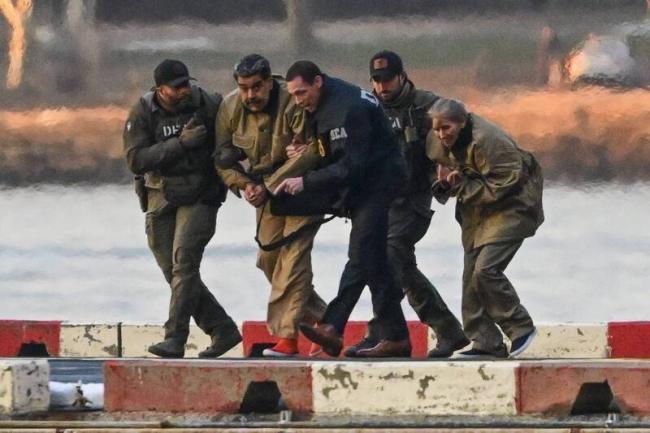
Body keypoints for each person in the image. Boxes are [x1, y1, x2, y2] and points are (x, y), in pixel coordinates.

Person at [275, 60, 411, 358]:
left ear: (318, 82)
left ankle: (333, 326)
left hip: (379, 183)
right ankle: (395, 336)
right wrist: (305, 153)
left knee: (361, 254)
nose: (298, 101)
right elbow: (331, 152)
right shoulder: (320, 106)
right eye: (293, 95)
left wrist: (306, 181)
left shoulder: (350, 108)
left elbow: (352, 165)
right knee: (372, 261)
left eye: (301, 93)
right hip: (361, 187)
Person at [343, 50, 469, 358]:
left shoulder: (426, 106)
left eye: (388, 80)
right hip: (378, 201)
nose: (382, 87)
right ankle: (421, 331)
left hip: (412, 199)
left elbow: (454, 139)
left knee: (390, 254)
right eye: (376, 80)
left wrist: (446, 169)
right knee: (385, 262)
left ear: (402, 77)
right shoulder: (366, 107)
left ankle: (393, 332)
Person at [123, 59, 241, 358]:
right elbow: (136, 160)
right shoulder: (143, 112)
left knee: (184, 264)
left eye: (186, 83)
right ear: (159, 90)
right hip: (160, 194)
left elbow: (229, 144)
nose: (184, 90)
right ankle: (222, 328)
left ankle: (175, 338)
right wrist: (181, 143)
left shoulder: (209, 104)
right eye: (176, 87)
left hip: (201, 194)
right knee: (171, 270)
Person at [213, 54, 326, 357]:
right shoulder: (230, 108)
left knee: (294, 259)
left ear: (269, 82)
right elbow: (222, 159)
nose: (250, 95)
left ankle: (286, 338)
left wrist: (270, 185)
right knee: (269, 259)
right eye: (244, 88)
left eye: (256, 87)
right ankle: (326, 320)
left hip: (303, 187)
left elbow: (312, 151)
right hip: (263, 192)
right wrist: (244, 184)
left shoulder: (292, 101)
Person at [426, 98, 543, 358]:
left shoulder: (490, 140)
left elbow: (507, 183)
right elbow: (439, 166)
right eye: (436, 129)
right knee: (471, 276)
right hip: (476, 211)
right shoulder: (436, 141)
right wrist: (444, 183)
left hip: (514, 205)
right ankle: (485, 341)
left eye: (446, 128)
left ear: (462, 123)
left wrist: (462, 184)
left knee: (486, 269)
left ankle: (520, 327)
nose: (441, 135)